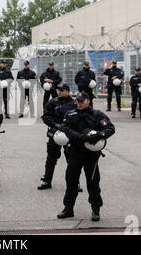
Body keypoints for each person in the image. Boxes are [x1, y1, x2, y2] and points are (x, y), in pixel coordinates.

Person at [58, 92, 115, 222]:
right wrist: (79, 136)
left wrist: (100, 135)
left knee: (93, 182)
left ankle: (95, 209)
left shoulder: (97, 114)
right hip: (75, 152)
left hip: (92, 155)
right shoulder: (70, 114)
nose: (79, 103)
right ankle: (68, 209)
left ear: (88, 101)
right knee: (71, 181)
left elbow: (110, 128)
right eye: (77, 101)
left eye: (81, 101)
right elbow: (65, 128)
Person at [39, 84, 78, 190]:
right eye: (58, 90)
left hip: (69, 134)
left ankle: (74, 182)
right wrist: (56, 125)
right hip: (55, 133)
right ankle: (47, 181)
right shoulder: (52, 102)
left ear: (67, 91)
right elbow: (46, 117)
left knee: (71, 159)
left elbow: (79, 117)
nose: (59, 92)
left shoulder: (74, 103)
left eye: (62, 90)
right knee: (51, 158)